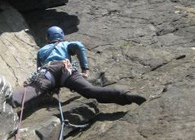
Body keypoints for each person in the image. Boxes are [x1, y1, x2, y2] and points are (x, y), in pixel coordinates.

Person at [11, 26, 146, 109]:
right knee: (91, 90)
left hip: (48, 71)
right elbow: (79, 46)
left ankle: (8, 101)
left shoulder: (41, 51)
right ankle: (126, 96)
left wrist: (49, 86)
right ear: (61, 35)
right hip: (66, 70)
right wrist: (84, 70)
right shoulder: (67, 44)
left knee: (32, 91)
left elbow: (38, 71)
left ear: (48, 37)